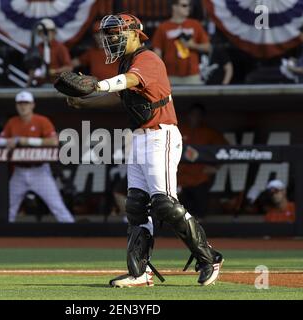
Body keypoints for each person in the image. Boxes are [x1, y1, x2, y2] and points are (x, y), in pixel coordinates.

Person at [67, 13, 223, 287]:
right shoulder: (127, 64)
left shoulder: (147, 59)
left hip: (160, 135)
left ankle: (209, 257)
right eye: (109, 34)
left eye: (116, 33)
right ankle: (139, 272)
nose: (111, 38)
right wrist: (85, 103)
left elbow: (128, 81)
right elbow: (119, 97)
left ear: (135, 34)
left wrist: (98, 84)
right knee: (136, 206)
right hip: (139, 137)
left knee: (164, 203)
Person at [0, 91, 75, 223]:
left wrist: (27, 141)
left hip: (40, 171)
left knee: (57, 206)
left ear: (32, 105)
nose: (23, 106)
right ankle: (2, 239)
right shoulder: (12, 122)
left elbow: (53, 141)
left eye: (26, 103)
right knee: (8, 208)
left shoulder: (41, 121)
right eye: (20, 104)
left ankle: (74, 233)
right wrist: (12, 140)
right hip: (19, 171)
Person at [178, 103, 228, 220]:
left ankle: (199, 237)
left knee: (200, 215)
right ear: (188, 116)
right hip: (181, 180)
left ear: (202, 117)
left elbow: (226, 151)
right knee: (182, 215)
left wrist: (216, 168)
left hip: (200, 179)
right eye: (193, 114)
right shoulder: (180, 130)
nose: (195, 117)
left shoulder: (209, 132)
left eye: (198, 115)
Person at [152, 0, 210, 85]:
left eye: (189, 5)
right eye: (184, 5)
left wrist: (193, 45)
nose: (188, 8)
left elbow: (208, 47)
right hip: (170, 76)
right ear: (174, 7)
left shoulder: (195, 24)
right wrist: (159, 74)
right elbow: (157, 53)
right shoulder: (163, 27)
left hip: (193, 75)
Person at [27, 18, 73, 86]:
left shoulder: (60, 48)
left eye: (48, 32)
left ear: (53, 33)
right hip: (39, 85)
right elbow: (32, 69)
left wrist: (54, 71)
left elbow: (69, 68)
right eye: (42, 32)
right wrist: (28, 85)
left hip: (58, 85)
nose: (45, 35)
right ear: (39, 34)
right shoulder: (37, 48)